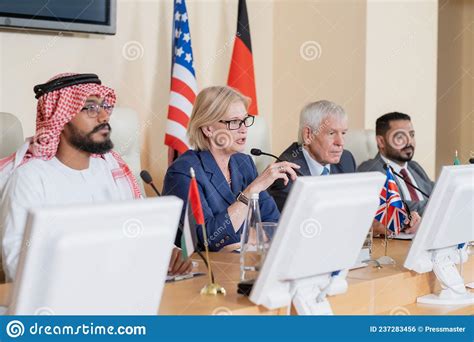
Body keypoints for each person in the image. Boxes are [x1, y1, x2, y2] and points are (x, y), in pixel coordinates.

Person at [0, 73, 191, 281]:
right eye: (91, 108)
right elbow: (17, 265)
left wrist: (168, 254)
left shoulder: (113, 170)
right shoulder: (29, 178)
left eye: (104, 106)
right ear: (61, 118)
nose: (104, 117)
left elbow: (139, 231)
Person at [163, 86, 300, 251]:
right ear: (208, 129)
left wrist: (237, 238)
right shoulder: (183, 172)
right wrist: (251, 192)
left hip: (244, 264)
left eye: (245, 120)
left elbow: (274, 226)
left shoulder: (244, 163)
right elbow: (208, 241)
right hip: (206, 272)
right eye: (234, 122)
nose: (244, 129)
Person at [268, 100, 356, 211]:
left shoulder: (346, 160)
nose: (340, 142)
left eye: (343, 133)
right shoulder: (286, 174)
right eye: (331, 133)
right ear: (308, 135)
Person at [358, 112, 433, 235]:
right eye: (400, 137)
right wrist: (435, 207)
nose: (409, 142)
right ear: (381, 141)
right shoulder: (370, 170)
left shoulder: (415, 167)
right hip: (397, 245)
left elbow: (439, 195)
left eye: (412, 135)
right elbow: (395, 209)